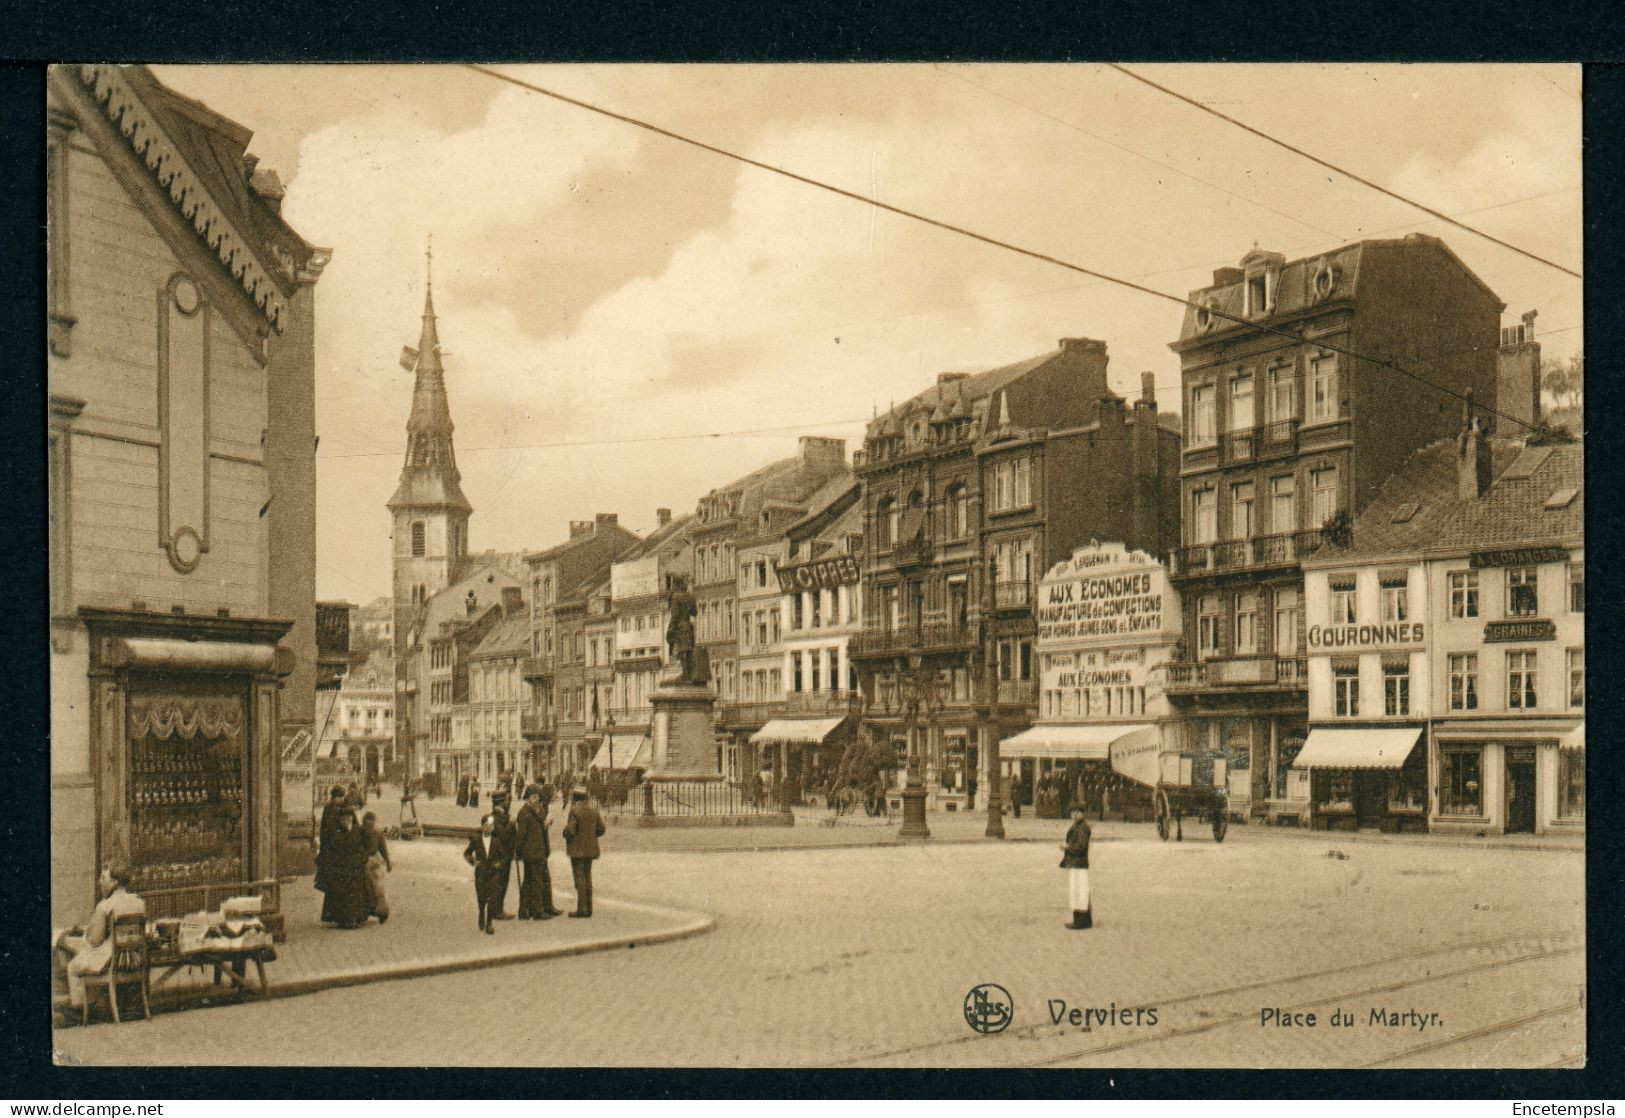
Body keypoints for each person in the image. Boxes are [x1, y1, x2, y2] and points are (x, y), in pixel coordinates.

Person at [59, 864, 146, 1011]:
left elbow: (95, 941)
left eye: (104, 878)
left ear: (115, 882)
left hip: (112, 960)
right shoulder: (139, 902)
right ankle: (99, 1002)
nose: (100, 882)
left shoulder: (105, 905)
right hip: (133, 958)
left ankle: (80, 1007)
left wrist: (84, 935)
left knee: (73, 966)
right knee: (85, 956)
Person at [514, 784, 560, 920]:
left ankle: (526, 911)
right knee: (536, 882)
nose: (537, 799)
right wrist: (518, 851)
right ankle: (537, 911)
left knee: (532, 881)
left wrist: (547, 822)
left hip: (538, 852)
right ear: (529, 797)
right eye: (534, 797)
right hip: (532, 853)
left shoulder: (535, 809)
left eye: (538, 797)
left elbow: (542, 826)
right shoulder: (524, 812)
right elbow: (521, 835)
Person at [324, 808, 371, 929]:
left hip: (355, 867)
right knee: (340, 894)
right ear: (339, 820)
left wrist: (363, 859)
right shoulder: (335, 832)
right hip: (340, 868)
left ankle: (354, 919)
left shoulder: (359, 830)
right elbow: (332, 847)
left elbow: (367, 846)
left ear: (353, 818)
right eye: (343, 819)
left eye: (349, 818)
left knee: (355, 894)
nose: (346, 821)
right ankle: (341, 919)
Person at [562, 785, 605, 918]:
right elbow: (601, 829)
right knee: (587, 877)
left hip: (577, 849)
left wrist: (565, 832)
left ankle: (582, 909)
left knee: (579, 878)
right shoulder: (594, 810)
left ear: (575, 797)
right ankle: (589, 908)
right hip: (590, 849)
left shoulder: (574, 811)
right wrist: (591, 836)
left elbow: (570, 830)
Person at [314, 785, 347, 924]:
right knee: (336, 884)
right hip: (333, 853)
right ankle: (334, 914)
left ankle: (329, 914)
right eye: (339, 797)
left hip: (327, 851)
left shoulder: (328, 809)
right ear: (336, 797)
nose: (340, 800)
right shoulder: (334, 811)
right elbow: (334, 834)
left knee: (332, 886)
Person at [464, 813, 501, 933]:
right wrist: (473, 861)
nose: (489, 828)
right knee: (481, 897)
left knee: (492, 898)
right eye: (486, 825)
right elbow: (467, 853)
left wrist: (499, 863)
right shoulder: (476, 840)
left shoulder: (496, 841)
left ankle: (489, 922)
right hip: (480, 873)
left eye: (491, 825)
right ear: (482, 826)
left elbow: (503, 856)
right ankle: (481, 914)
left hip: (493, 873)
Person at [1059, 804, 1093, 930]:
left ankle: (1080, 921)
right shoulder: (1079, 826)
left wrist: (1067, 847)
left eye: (1077, 812)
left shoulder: (1082, 827)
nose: (1074, 815)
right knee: (1080, 890)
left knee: (1078, 891)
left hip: (1078, 862)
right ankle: (1085, 920)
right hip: (1077, 862)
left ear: (1082, 813)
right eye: (1072, 812)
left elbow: (1081, 847)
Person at [487, 798, 517, 920]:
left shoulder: (497, 816)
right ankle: (497, 911)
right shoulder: (493, 818)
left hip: (503, 855)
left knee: (500, 883)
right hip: (500, 855)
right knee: (499, 883)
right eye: (506, 800)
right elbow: (503, 835)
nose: (508, 802)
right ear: (501, 802)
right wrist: (511, 823)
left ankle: (497, 909)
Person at [360, 810, 392, 925]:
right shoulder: (360, 831)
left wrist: (388, 862)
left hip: (374, 860)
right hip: (362, 860)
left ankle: (382, 911)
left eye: (371, 824)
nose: (369, 827)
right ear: (364, 823)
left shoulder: (378, 833)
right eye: (367, 824)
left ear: (374, 823)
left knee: (378, 886)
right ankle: (364, 912)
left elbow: (383, 849)